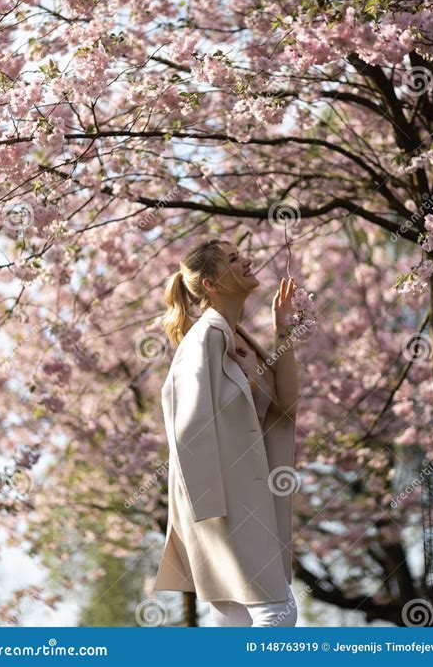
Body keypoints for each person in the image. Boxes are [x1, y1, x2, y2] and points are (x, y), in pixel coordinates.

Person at [153, 237, 299, 626]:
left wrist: (282, 329)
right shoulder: (202, 338)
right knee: (279, 611)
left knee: (235, 621)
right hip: (222, 503)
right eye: (233, 259)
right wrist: (209, 510)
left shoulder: (240, 339)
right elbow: (184, 421)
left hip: (248, 497)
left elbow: (285, 404)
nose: (246, 260)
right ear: (211, 285)